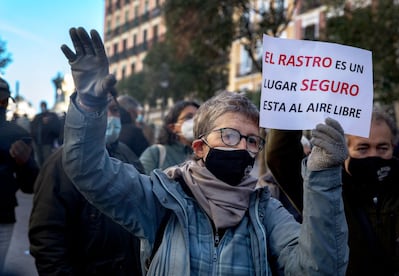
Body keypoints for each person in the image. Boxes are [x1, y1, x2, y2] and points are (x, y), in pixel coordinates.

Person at [59, 27, 349, 275]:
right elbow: (87, 169)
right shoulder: (161, 198)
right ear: (200, 147)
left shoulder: (265, 211)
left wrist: (322, 176)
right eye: (229, 135)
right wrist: (88, 105)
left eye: (252, 140)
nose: (242, 146)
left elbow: (318, 269)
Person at [266, 109, 399, 275]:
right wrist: (293, 102)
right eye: (363, 148)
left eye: (382, 148)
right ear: (344, 149)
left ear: (393, 147)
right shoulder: (323, 192)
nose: (374, 155)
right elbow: (282, 154)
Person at [29, 97, 144, 276]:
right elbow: (47, 239)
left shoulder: (127, 155)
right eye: (98, 109)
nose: (110, 116)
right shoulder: (60, 163)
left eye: (114, 109)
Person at [0, 77, 39, 273]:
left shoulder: (16, 135)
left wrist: (25, 163)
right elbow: (30, 184)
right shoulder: (15, 133)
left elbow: (30, 183)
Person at [139, 100, 200, 174]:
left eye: (199, 116)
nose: (196, 121)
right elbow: (141, 182)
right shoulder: (155, 153)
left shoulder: (209, 152)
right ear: (173, 127)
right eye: (188, 117)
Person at [30, 100, 61, 166]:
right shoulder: (38, 117)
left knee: (47, 161)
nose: (43, 107)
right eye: (42, 106)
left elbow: (57, 128)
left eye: (43, 106)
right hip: (38, 143)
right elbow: (33, 127)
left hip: (47, 143)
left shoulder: (51, 116)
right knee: (39, 161)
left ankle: (47, 175)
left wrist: (49, 123)